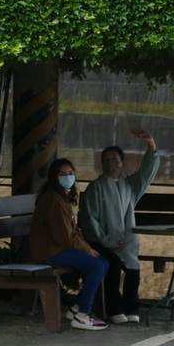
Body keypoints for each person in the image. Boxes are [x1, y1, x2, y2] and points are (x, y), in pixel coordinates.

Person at [78, 128, 161, 324]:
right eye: (106, 160)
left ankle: (131, 308)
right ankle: (113, 308)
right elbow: (90, 221)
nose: (110, 163)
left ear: (122, 163)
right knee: (112, 266)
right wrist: (107, 242)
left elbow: (146, 174)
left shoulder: (129, 186)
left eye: (114, 159)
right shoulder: (95, 188)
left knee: (133, 268)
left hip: (126, 242)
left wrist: (151, 145)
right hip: (101, 242)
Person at [30, 158, 109, 331]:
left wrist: (87, 249)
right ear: (54, 177)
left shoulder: (62, 196)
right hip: (50, 252)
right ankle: (82, 314)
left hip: (57, 248)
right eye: (62, 174)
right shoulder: (54, 200)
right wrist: (87, 250)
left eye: (71, 174)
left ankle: (77, 308)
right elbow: (64, 237)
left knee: (102, 262)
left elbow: (73, 232)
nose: (68, 177)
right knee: (97, 265)